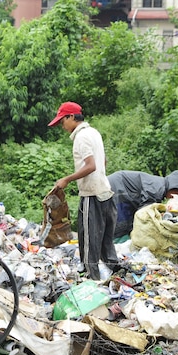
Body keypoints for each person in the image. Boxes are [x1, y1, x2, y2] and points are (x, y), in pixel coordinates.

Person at [48, 101, 119, 280]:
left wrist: (67, 179)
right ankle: (115, 271)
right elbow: (103, 162)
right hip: (105, 191)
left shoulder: (81, 137)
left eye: (62, 121)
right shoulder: (94, 133)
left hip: (92, 195)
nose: (62, 126)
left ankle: (91, 277)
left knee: (88, 238)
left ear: (72, 117)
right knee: (105, 238)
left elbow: (91, 165)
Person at [108, 170, 178, 238]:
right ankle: (117, 247)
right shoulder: (157, 189)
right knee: (120, 223)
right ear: (172, 189)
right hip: (119, 188)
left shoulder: (160, 186)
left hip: (122, 187)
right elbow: (143, 212)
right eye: (177, 194)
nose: (175, 197)